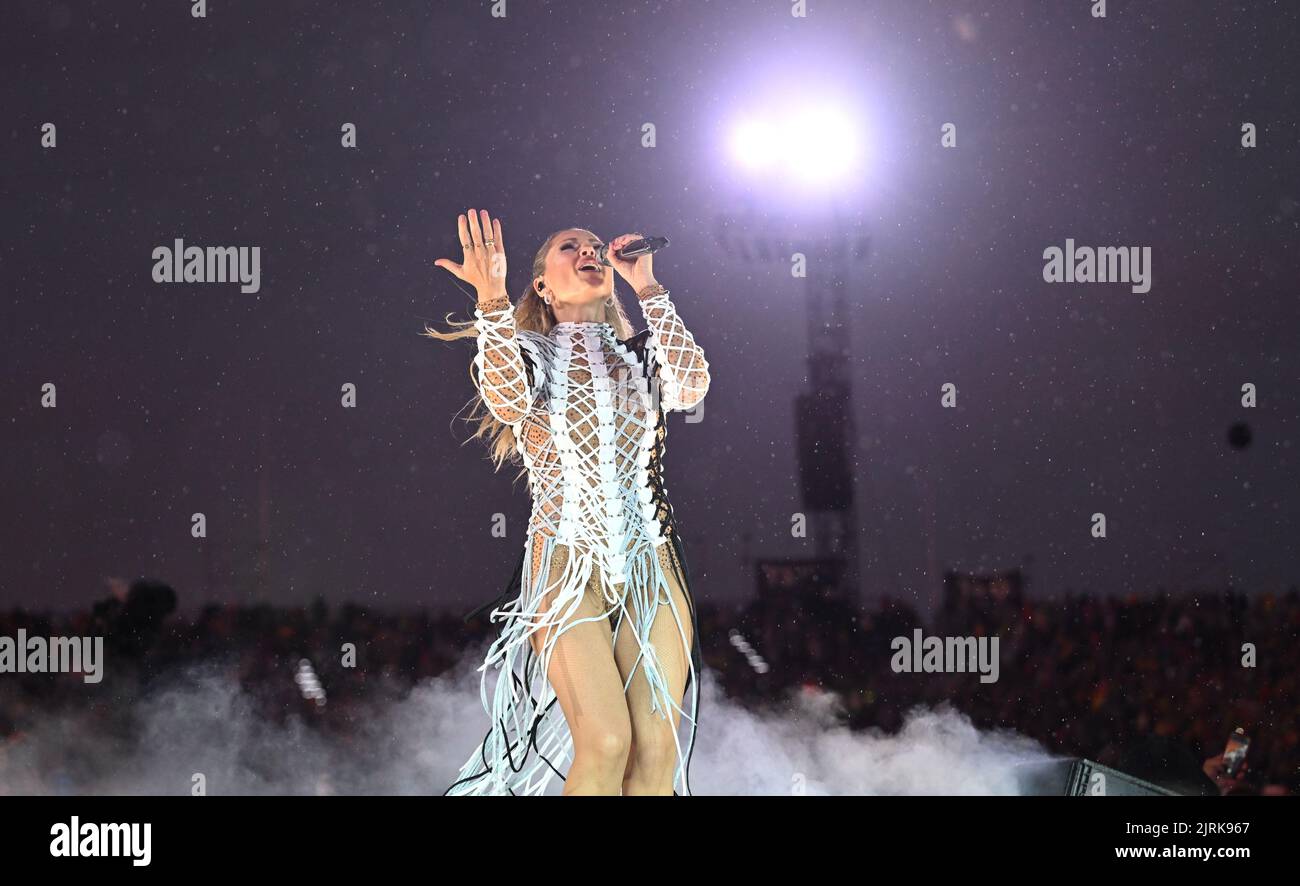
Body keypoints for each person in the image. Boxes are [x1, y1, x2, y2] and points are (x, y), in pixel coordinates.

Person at [426, 209, 711, 795]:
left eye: (593, 246)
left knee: (655, 748)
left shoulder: (640, 356)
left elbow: (691, 384)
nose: (588, 251)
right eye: (568, 247)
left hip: (652, 564)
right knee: (607, 742)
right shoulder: (528, 353)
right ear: (542, 285)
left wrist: (648, 286)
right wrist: (491, 299)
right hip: (564, 564)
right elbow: (505, 398)